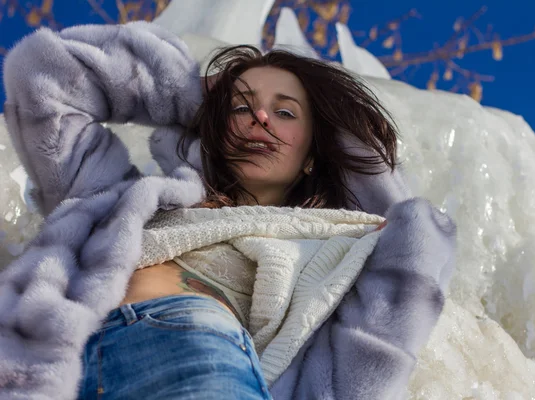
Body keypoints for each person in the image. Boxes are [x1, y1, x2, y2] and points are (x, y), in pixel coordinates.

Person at [0, 21, 456, 400]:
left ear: (317, 149)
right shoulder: (122, 197)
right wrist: (189, 93)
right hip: (42, 368)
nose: (259, 117)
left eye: (286, 113)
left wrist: (344, 134)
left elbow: (356, 375)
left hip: (197, 356)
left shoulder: (336, 249)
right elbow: (43, 77)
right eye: (243, 106)